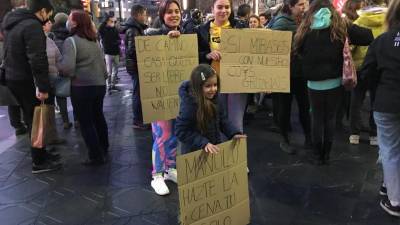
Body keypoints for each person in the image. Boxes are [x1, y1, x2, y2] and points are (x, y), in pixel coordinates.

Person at [294, 0, 373, 165]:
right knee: (330, 119)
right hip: (335, 81)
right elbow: (368, 37)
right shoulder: (340, 24)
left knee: (316, 118)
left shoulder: (305, 25)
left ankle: (317, 156)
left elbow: (298, 49)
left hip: (313, 82)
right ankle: (326, 155)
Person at [2, 0, 62, 173]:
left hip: (13, 77)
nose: (48, 17)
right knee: (35, 119)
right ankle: (39, 161)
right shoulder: (32, 25)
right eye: (48, 14)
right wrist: (42, 87)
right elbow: (37, 58)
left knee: (32, 118)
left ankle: (41, 154)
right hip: (26, 79)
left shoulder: (13, 22)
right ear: (42, 11)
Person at [362, 0, 400, 217]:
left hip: (386, 102)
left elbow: (367, 73)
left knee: (390, 149)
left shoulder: (382, 41)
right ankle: (389, 185)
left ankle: (395, 200)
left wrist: (375, 92)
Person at [57, 10, 109, 166]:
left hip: (81, 87)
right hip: (99, 86)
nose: (69, 21)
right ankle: (104, 146)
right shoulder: (94, 40)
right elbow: (103, 66)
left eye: (71, 19)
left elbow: (68, 68)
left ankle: (95, 156)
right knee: (98, 116)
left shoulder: (71, 41)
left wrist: (57, 65)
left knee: (86, 123)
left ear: (76, 22)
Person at [145, 0, 182, 196]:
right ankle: (157, 175)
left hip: (179, 94)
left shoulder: (185, 34)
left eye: (177, 11)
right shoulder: (152, 33)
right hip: (159, 94)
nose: (174, 15)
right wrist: (165, 39)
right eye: (169, 12)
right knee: (162, 135)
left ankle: (170, 169)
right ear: (162, 15)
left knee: (174, 134)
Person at [197, 0, 248, 134]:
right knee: (216, 123)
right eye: (219, 7)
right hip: (213, 83)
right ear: (212, 9)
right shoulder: (202, 30)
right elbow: (195, 54)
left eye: (227, 7)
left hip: (237, 83)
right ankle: (221, 154)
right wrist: (207, 55)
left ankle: (236, 154)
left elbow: (251, 54)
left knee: (236, 124)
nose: (223, 10)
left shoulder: (240, 27)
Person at [270, 0, 311, 154]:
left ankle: (309, 137)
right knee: (284, 109)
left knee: (305, 107)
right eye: (300, 4)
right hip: (284, 74)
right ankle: (284, 139)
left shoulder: (304, 21)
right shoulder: (281, 23)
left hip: (301, 73)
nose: (304, 8)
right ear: (290, 6)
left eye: (305, 4)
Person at [176, 64, 246, 154]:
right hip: (194, 152)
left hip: (212, 147)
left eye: (215, 85)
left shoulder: (215, 99)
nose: (213, 89)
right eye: (208, 86)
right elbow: (181, 131)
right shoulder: (189, 106)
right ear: (198, 87)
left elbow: (222, 120)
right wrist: (203, 143)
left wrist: (233, 133)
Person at [349, 0, 387, 146]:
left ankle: (354, 134)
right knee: (375, 100)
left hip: (360, 67)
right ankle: (374, 135)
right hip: (379, 67)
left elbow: (351, 47)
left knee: (356, 100)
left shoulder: (358, 22)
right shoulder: (388, 23)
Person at [123, 4, 148, 129]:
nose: (145, 17)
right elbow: (132, 50)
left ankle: (140, 119)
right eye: (144, 14)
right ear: (138, 15)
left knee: (139, 93)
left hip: (137, 65)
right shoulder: (133, 30)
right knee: (138, 93)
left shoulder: (136, 28)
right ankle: (138, 120)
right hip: (136, 66)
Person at [51, 12, 76, 129]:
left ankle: (65, 120)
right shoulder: (71, 35)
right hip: (71, 68)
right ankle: (77, 119)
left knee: (60, 95)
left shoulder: (52, 36)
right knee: (75, 94)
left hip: (57, 69)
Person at [98, 14, 121, 93]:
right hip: (108, 53)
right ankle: (109, 86)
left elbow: (119, 38)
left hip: (115, 52)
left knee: (116, 70)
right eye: (110, 21)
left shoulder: (114, 29)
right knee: (109, 71)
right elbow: (100, 29)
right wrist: (105, 22)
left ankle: (113, 85)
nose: (112, 22)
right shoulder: (103, 30)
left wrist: (117, 42)